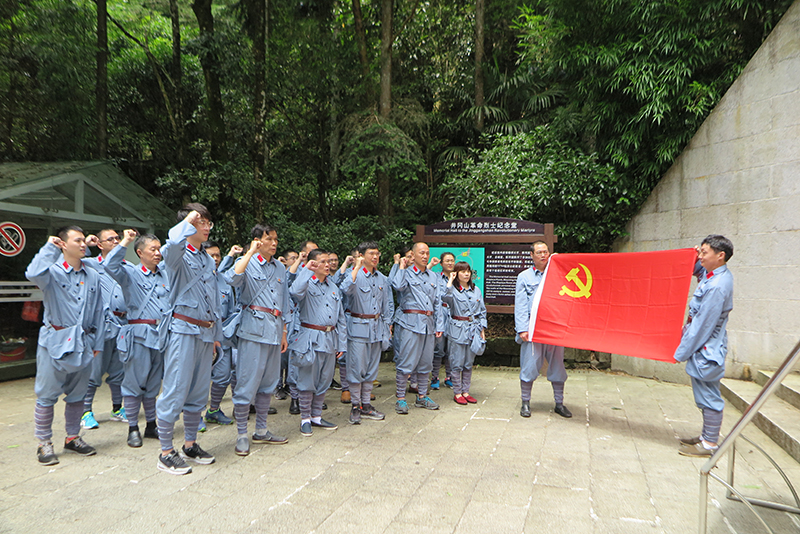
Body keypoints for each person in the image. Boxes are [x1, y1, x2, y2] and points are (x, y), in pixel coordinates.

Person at [26, 227, 105, 465]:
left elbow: (99, 310)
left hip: (84, 342)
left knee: (78, 395)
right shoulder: (51, 272)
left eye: (83, 240)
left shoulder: (92, 275)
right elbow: (32, 273)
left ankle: (73, 437)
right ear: (63, 244)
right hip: (55, 341)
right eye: (77, 240)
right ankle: (44, 443)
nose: (83, 244)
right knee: (46, 395)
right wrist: (50, 247)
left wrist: (97, 343)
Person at [155, 203, 222, 475]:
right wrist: (187, 221)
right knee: (175, 389)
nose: (206, 227)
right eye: (201, 222)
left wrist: (216, 335)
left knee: (198, 392)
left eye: (208, 222)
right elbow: (171, 244)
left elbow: (214, 299)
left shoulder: (207, 259)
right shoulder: (177, 254)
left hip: (205, 332)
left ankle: (190, 444)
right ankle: (165, 452)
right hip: (183, 330)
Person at [224, 224, 290, 456]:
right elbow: (232, 278)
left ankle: (261, 430)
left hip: (274, 331)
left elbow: (285, 301)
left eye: (276, 239)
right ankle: (242, 434)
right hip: (252, 330)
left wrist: (284, 332)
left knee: (268, 383)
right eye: (269, 239)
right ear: (257, 241)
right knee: (246, 383)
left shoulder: (280, 267)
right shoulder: (247, 261)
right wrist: (250, 252)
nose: (274, 243)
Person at [105, 230, 170, 448]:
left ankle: (151, 425)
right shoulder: (130, 273)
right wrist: (125, 241)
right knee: (134, 383)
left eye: (159, 249)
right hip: (139, 336)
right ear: (140, 253)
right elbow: (110, 265)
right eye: (153, 249)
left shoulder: (165, 275)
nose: (158, 253)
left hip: (160, 335)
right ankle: (133, 427)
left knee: (153, 383)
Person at [674, 235, 734, 457]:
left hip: (707, 348)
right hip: (705, 346)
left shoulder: (717, 286)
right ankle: (705, 436)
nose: (700, 256)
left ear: (720, 256)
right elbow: (698, 271)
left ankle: (709, 444)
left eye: (704, 252)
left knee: (708, 396)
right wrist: (692, 256)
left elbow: (702, 325)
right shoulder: (713, 275)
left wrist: (680, 352)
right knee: (704, 394)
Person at [288, 249, 346, 436]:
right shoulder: (306, 283)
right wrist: (307, 269)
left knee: (324, 379)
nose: (327, 265)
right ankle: (305, 419)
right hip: (310, 337)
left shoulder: (333, 287)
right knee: (307, 380)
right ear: (313, 264)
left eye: (328, 261)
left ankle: (316, 416)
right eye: (322, 262)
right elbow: (294, 291)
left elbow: (341, 318)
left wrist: (342, 343)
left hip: (330, 338)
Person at [515, 241, 571, 419]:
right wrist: (522, 329)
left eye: (545, 252)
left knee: (558, 366)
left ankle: (559, 403)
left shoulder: (558, 274)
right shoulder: (524, 277)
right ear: (531, 255)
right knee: (530, 365)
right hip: (533, 328)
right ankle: (525, 402)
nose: (542, 255)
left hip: (554, 328)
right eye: (538, 252)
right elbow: (520, 305)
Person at [340, 242, 393, 424]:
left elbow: (387, 305)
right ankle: (355, 406)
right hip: (358, 327)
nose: (375, 257)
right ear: (362, 256)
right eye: (371, 253)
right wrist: (356, 267)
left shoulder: (382, 278)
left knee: (371, 369)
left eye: (377, 253)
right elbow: (345, 289)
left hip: (377, 328)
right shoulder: (353, 274)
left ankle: (366, 405)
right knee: (356, 368)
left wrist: (387, 327)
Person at [80, 228, 128, 429]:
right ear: (100, 244)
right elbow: (69, 260)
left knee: (119, 370)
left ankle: (117, 408)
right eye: (110, 239)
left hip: (124, 324)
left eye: (117, 238)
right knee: (94, 370)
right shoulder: (91, 264)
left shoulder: (127, 266)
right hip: (102, 325)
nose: (116, 241)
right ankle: (85, 412)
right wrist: (86, 244)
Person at [391, 242, 444, 414]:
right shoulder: (405, 273)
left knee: (426, 362)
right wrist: (401, 266)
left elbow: (438, 302)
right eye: (421, 253)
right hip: (410, 323)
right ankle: (400, 398)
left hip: (428, 324)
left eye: (427, 253)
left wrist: (439, 324)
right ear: (412, 255)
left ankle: (422, 396)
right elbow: (397, 286)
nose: (425, 256)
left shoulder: (433, 276)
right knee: (405, 362)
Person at [200, 241, 242, 429]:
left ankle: (214, 410)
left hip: (222, 334)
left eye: (218, 255)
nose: (215, 259)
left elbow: (231, 310)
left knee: (223, 376)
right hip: (200, 334)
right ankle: (195, 415)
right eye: (211, 255)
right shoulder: (194, 279)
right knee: (198, 378)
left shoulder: (224, 280)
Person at [443, 262, 486, 405]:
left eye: (468, 271)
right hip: (457, 329)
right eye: (462, 271)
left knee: (468, 363)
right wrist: (450, 280)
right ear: (456, 274)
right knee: (456, 363)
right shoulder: (453, 290)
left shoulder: (476, 290)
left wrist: (482, 330)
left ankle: (466, 391)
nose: (466, 274)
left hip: (473, 329)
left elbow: (482, 311)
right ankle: (457, 392)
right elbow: (444, 297)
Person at [286, 240, 319, 414]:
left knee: (313, 362)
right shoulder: (297, 269)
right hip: (296, 321)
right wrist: (299, 262)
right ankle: (295, 397)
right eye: (311, 251)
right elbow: (288, 282)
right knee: (296, 361)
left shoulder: (320, 271)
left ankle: (311, 397)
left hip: (313, 322)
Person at [431, 251, 456, 390]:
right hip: (440, 313)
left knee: (451, 349)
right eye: (447, 260)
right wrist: (430, 264)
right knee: (438, 349)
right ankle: (434, 376)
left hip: (453, 314)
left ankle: (449, 377)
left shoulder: (457, 278)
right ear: (441, 263)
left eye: (452, 260)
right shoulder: (435, 277)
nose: (450, 263)